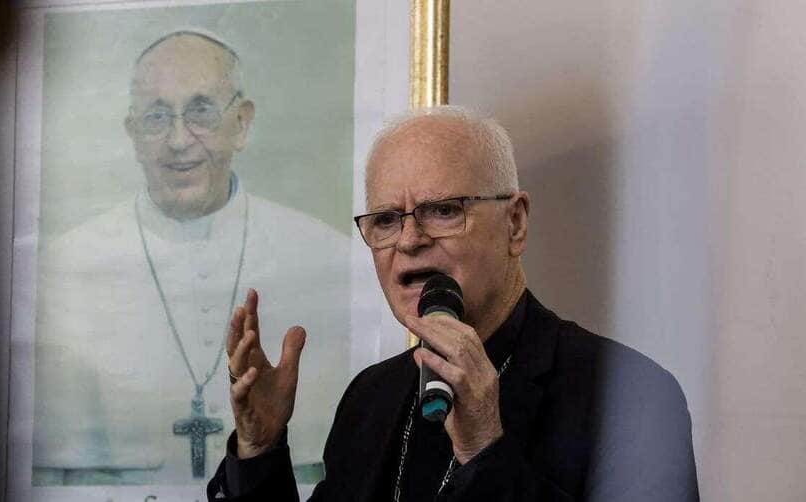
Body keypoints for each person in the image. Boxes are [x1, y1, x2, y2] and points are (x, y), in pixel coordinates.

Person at [208, 106, 700, 501]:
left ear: (516, 224)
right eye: (385, 220)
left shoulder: (632, 396)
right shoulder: (371, 396)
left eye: (443, 211)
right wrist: (259, 449)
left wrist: (485, 449)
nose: (409, 240)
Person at [32, 30, 350, 486]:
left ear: (241, 123)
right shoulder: (63, 267)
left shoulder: (326, 254)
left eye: (201, 111)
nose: (179, 140)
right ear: (133, 134)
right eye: (157, 117)